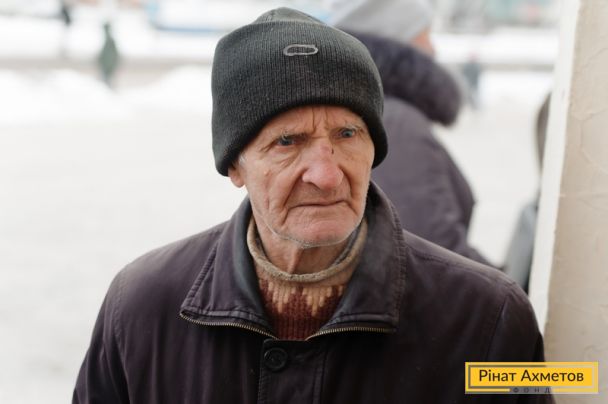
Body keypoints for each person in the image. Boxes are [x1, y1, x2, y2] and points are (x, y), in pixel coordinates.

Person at [73, 8, 550, 403]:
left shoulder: (489, 319)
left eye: (347, 134)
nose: (326, 174)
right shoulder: (139, 308)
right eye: (287, 141)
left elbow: (565, 379)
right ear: (235, 166)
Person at [331, 0, 491, 265]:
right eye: (425, 34)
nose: (433, 48)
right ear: (398, 42)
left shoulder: (374, 112)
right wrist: (503, 283)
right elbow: (431, 250)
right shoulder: (396, 123)